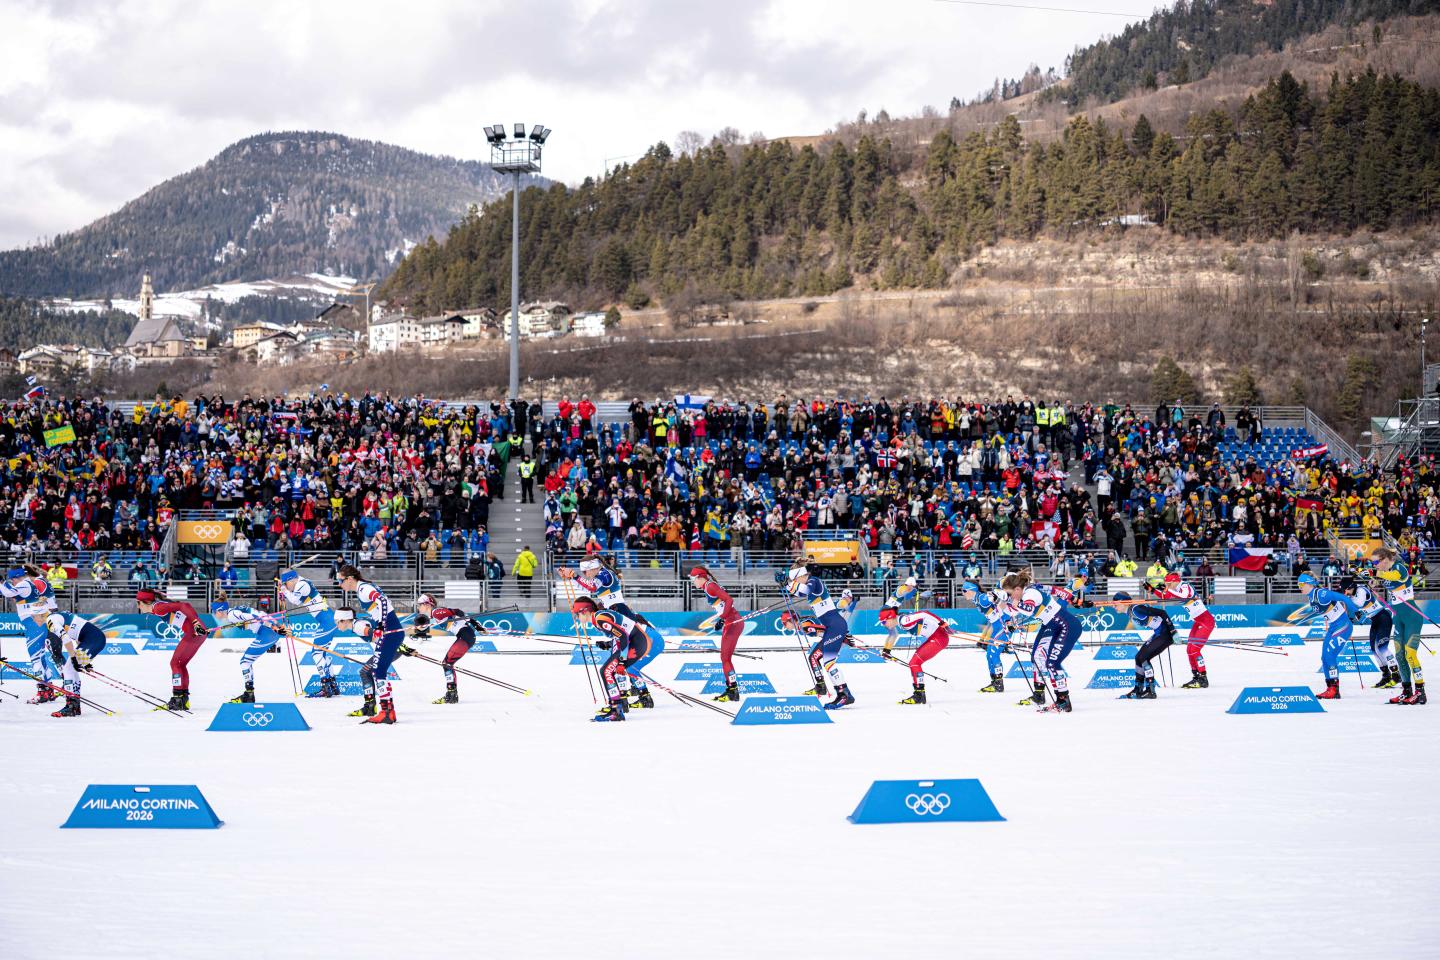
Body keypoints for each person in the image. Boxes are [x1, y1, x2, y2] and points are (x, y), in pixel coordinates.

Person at [557, 554, 665, 708]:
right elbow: (587, 587)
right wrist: (570, 578)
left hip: (621, 613)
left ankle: (631, 696)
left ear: (593, 567)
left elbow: (591, 587)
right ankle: (628, 694)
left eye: (585, 571)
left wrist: (573, 575)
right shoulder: (600, 577)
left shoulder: (604, 574)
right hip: (618, 614)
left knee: (621, 662)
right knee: (619, 660)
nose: (585, 575)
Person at [1002, 568, 1081, 713]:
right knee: (1040, 658)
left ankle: (1064, 701)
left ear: (1017, 589)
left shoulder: (1030, 593)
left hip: (1067, 627)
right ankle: (1048, 697)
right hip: (1054, 627)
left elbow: (1029, 609)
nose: (1010, 596)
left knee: (1052, 663)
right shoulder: (1030, 589)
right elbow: (1056, 591)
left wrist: (1015, 603)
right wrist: (1076, 600)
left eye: (1010, 593)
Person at [780, 561, 854, 709]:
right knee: (824, 660)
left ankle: (844, 695)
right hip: (832, 627)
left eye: (796, 580)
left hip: (835, 626)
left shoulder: (814, 581)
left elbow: (804, 590)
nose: (796, 582)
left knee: (828, 662)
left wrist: (788, 583)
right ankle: (842, 693)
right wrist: (786, 585)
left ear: (801, 576)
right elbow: (799, 592)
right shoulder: (809, 585)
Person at [337, 564, 405, 723]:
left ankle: (387, 713)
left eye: (341, 580)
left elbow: (382, 600)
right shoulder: (363, 588)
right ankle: (388, 712)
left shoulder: (363, 589)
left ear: (350, 578)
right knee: (378, 671)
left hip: (390, 632)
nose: (339, 584)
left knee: (378, 671)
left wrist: (381, 625)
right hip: (391, 632)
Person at [571, 594, 650, 722]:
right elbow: (619, 636)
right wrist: (608, 645)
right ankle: (616, 707)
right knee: (608, 671)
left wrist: (621, 661)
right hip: (634, 641)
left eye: (577, 615)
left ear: (585, 611)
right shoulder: (598, 618)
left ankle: (617, 710)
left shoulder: (600, 619)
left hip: (637, 643)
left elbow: (623, 636)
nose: (576, 618)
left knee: (606, 671)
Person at [1369, 546, 1426, 705]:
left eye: (1376, 562)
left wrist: (1375, 573)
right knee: (1400, 655)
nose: (1375, 565)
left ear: (1385, 559)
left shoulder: (1399, 568)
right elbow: (1384, 580)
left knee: (1410, 654)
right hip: (1398, 618)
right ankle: (1406, 690)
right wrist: (1373, 582)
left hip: (1412, 617)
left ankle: (1420, 692)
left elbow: (1395, 576)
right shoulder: (1386, 572)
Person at [137, 588, 208, 711]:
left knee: (175, 663)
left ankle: (178, 699)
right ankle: (183, 700)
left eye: (138, 603)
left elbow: (184, 605)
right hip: (198, 632)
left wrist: (196, 624)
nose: (138, 606)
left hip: (194, 632)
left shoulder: (158, 608)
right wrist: (198, 624)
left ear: (145, 602)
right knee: (180, 664)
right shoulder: (156, 608)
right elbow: (182, 608)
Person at [412, 594, 488, 704]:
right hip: (464, 637)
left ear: (427, 604)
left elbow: (457, 611)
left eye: (420, 605)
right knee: (447, 663)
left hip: (465, 637)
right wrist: (420, 627)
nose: (418, 607)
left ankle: (451, 695)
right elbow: (428, 625)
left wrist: (476, 625)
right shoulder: (434, 616)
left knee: (447, 663)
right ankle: (452, 694)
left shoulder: (436, 612)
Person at [1, 565, 61, 702]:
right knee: (40, 658)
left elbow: (8, 592)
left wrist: (1, 582)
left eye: (12, 579)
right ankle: (48, 689)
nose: (12, 582)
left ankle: (43, 692)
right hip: (37, 622)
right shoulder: (27, 584)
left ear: (17, 577)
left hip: (34, 624)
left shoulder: (24, 583)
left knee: (35, 659)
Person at [1295, 572, 1359, 700]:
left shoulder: (1321, 594)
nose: (1299, 587)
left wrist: (1356, 612)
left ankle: (1334, 689)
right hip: (1333, 626)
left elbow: (1344, 598)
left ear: (1309, 583)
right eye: (1298, 585)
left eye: (1301, 584)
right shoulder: (1311, 596)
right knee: (1324, 657)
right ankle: (1330, 687)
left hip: (1343, 625)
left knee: (1330, 655)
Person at [1147, 571, 1216, 689]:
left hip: (1206, 622)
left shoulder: (1184, 586)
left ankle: (1203, 678)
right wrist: (1152, 589)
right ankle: (1196, 677)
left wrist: (1166, 589)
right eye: (1166, 584)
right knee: (1189, 650)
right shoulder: (1175, 589)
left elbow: (1183, 596)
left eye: (1169, 584)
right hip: (1198, 622)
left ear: (1175, 582)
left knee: (1195, 650)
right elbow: (1166, 596)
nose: (1167, 586)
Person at [277, 569, 340, 698]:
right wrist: (284, 591)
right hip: (328, 620)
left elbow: (295, 600)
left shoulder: (302, 584)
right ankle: (333, 686)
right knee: (322, 653)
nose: (287, 587)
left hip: (327, 621)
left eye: (286, 584)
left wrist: (283, 590)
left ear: (291, 580)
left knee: (316, 653)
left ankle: (326, 687)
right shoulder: (302, 583)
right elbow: (297, 599)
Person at [211, 596, 285, 704]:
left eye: (214, 611)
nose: (213, 614)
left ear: (220, 610)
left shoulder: (232, 615)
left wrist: (275, 627)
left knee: (245, 662)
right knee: (245, 661)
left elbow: (255, 617)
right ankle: (249, 694)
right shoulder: (232, 613)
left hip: (266, 633)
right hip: (265, 633)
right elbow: (262, 614)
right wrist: (277, 625)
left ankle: (249, 695)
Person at [35, 608, 107, 718]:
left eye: (33, 616)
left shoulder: (51, 620)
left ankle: (72, 706)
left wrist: (73, 658)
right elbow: (79, 635)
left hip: (93, 640)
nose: (33, 620)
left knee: (68, 669)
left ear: (40, 615)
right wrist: (84, 662)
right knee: (71, 669)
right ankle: (74, 705)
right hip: (93, 639)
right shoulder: (56, 616)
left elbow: (66, 639)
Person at [689, 565, 743, 702]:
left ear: (700, 577)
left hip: (733, 622)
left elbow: (729, 600)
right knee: (725, 658)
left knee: (725, 658)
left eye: (693, 579)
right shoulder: (708, 586)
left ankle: (732, 690)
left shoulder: (710, 586)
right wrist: (723, 618)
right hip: (731, 621)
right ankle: (732, 689)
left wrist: (723, 618)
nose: (693, 582)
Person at [877, 606, 950, 705]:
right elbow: (893, 635)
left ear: (890, 618)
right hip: (935, 637)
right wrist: (887, 650)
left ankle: (919, 695)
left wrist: (942, 623)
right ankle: (919, 694)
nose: (884, 625)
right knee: (914, 663)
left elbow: (924, 613)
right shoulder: (899, 621)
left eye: (884, 622)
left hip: (939, 638)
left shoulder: (904, 621)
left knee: (914, 663)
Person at [1342, 576, 1400, 689]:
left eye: (1346, 590)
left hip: (1383, 617)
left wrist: (1346, 600)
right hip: (1375, 620)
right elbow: (1356, 610)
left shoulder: (1361, 590)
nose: (1345, 593)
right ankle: (1386, 675)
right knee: (1374, 650)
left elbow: (1359, 604)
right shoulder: (1351, 596)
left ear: (1350, 587)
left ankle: (1396, 675)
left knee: (1382, 647)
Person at [1115, 591, 1172, 700]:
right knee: (1138, 657)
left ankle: (1150, 690)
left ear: (1123, 602)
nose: (1114, 607)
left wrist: (1173, 630)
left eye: (1115, 604)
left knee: (1144, 657)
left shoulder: (1136, 609)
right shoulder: (1130, 611)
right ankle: (1138, 689)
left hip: (1165, 634)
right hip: (1158, 633)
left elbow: (1162, 612)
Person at [961, 580, 1009, 693]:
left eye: (964, 590)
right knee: (989, 655)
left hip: (1002, 627)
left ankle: (998, 684)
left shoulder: (982, 598)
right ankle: (995, 681)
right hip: (996, 628)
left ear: (971, 590)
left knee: (993, 654)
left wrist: (1008, 620)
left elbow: (999, 595)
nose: (963, 593)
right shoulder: (977, 598)